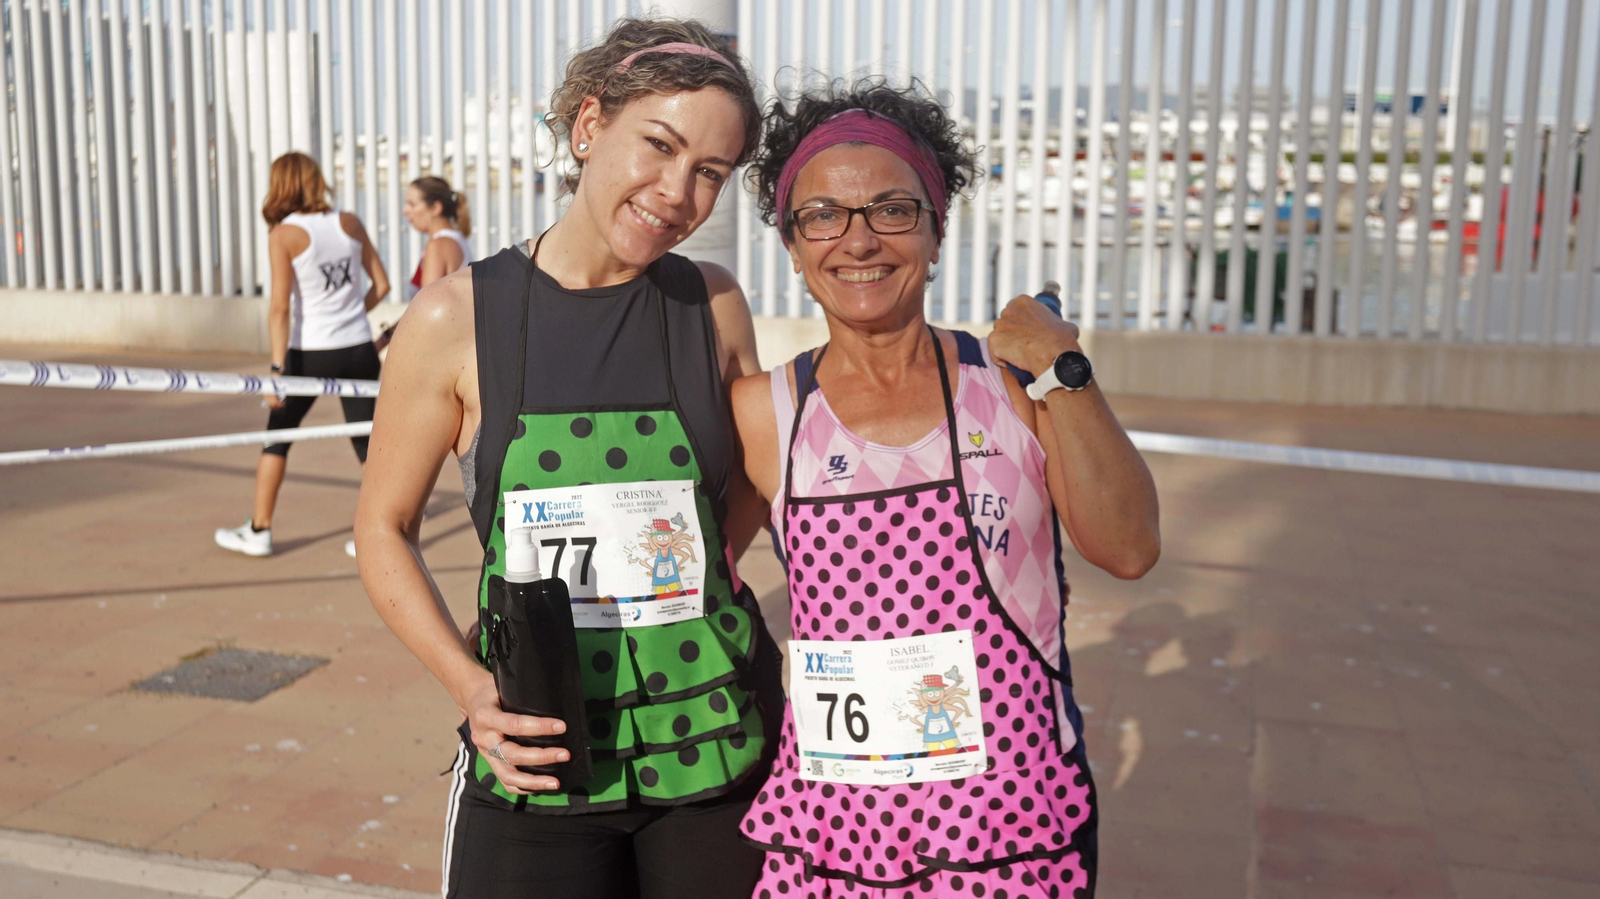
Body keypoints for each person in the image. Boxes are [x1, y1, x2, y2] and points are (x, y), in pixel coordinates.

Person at [353, 19, 782, 899]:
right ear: (589, 126)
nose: (677, 193)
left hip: (710, 746)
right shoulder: (455, 318)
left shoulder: (713, 305)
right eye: (658, 146)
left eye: (710, 172)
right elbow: (383, 529)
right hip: (539, 756)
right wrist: (472, 690)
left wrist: (698, 574)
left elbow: (749, 485)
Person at [730, 81, 1162, 898]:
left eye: (893, 210)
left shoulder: (1013, 386)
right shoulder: (764, 412)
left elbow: (1130, 546)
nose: (858, 240)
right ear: (791, 244)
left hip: (1010, 823)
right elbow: (705, 580)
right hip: (832, 826)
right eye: (823, 215)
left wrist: (1065, 372)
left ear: (936, 230)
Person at [215, 151, 389, 558]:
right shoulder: (349, 222)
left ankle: (259, 530)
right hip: (358, 350)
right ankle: (381, 537)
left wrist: (277, 370)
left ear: (280, 185)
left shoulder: (283, 235)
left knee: (278, 438)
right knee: (366, 444)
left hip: (309, 355)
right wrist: (348, 317)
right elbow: (380, 284)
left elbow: (279, 308)